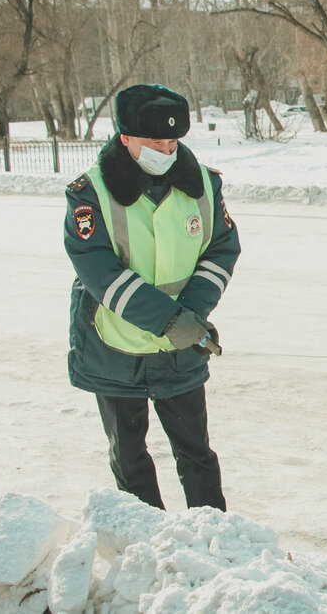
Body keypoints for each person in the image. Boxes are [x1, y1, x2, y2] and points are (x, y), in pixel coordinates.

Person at [64, 83, 241, 512]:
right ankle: (147, 543)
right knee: (129, 457)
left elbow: (222, 248)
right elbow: (96, 267)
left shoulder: (202, 183)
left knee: (196, 454)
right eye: (154, 141)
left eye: (172, 140)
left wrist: (191, 315)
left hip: (178, 349)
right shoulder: (91, 192)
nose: (166, 149)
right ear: (126, 138)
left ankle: (215, 538)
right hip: (115, 347)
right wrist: (168, 319)